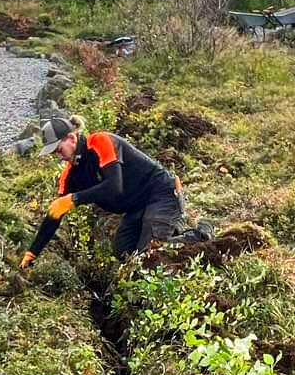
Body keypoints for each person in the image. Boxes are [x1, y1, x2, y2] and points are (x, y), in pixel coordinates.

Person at [20, 111, 184, 270]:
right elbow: (55, 213)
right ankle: (169, 231)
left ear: (71, 138)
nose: (59, 156)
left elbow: (114, 187)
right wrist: (32, 252)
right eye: (55, 153)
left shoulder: (100, 142)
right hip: (138, 207)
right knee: (124, 251)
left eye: (59, 150)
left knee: (150, 252)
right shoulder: (69, 175)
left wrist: (73, 199)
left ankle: (198, 236)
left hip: (162, 193)